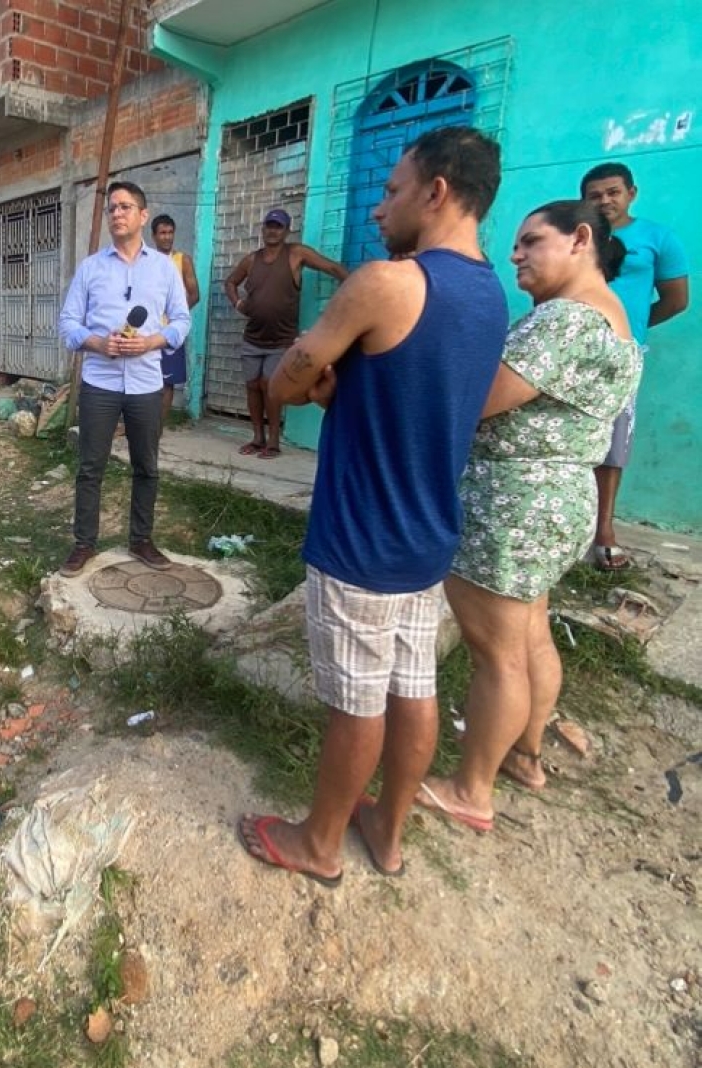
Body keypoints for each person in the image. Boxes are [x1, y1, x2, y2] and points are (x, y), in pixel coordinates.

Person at [235, 126, 508, 883]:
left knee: (357, 703)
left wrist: (309, 377)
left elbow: (284, 384)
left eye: (392, 191)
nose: (379, 208)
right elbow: (413, 399)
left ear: (436, 192)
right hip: (428, 534)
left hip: (363, 536)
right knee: (413, 687)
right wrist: (342, 394)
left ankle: (318, 845)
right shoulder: (492, 294)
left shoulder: (387, 283)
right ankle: (387, 829)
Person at [417, 201, 642, 830]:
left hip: (514, 504)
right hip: (559, 498)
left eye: (530, 241)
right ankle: (525, 755)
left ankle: (471, 790)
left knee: (498, 656)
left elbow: (477, 400)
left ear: (580, 239)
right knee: (531, 634)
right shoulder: (614, 320)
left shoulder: (564, 320)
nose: (515, 254)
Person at [57, 180, 191, 577]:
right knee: (90, 467)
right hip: (100, 383)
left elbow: (182, 320)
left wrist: (151, 341)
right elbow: (68, 323)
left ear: (142, 215)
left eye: (125, 206)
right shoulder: (91, 268)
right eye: (112, 208)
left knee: (146, 466)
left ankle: (141, 539)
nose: (116, 213)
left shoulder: (164, 268)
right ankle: (84, 544)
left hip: (147, 384)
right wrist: (99, 343)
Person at [579, 162, 689, 570]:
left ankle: (604, 529)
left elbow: (676, 300)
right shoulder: (577, 235)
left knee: (614, 440)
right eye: (595, 195)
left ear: (631, 193)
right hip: (572, 348)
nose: (605, 200)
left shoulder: (657, 237)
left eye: (613, 192)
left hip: (622, 354)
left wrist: (630, 329)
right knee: (565, 433)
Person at [223, 208, 348, 458]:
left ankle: (273, 442)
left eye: (278, 227)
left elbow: (332, 268)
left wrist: (355, 286)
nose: (273, 231)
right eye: (269, 226)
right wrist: (238, 303)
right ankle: (257, 438)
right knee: (252, 386)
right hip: (253, 338)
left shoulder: (296, 253)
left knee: (270, 387)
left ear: (287, 230)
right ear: (263, 229)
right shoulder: (252, 260)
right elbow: (230, 282)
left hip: (281, 340)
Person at [150, 213, 200, 435]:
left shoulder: (182, 260)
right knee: (145, 378)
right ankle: (144, 425)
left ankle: (157, 429)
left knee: (167, 382)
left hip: (170, 333)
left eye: (170, 232)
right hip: (148, 331)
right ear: (154, 236)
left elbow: (194, 294)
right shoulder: (147, 261)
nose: (167, 237)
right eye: (162, 233)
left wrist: (176, 318)